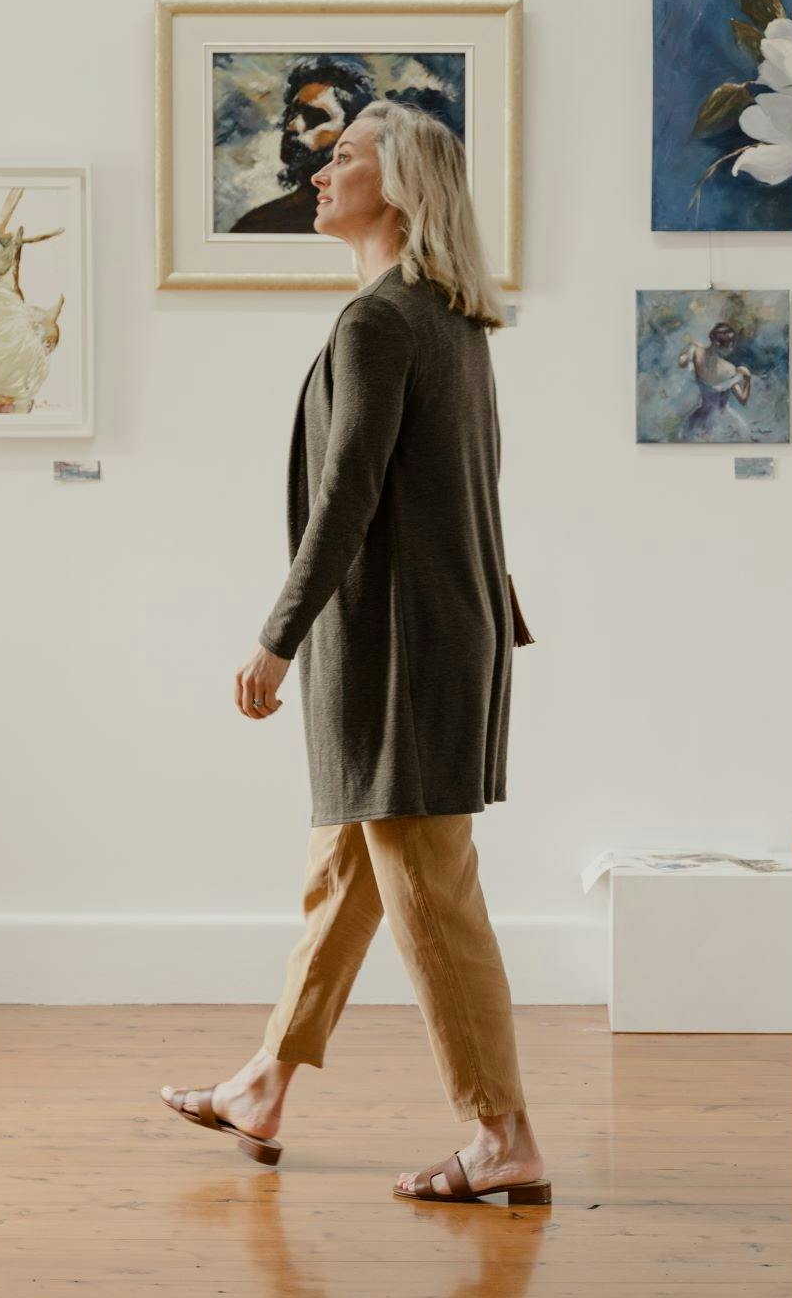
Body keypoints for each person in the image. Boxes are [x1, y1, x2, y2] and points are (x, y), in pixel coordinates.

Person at [159, 101, 549, 1207]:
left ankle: (501, 1132)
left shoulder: (383, 321)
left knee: (430, 887)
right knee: (350, 873)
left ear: (403, 182)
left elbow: (349, 499)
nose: (320, 173)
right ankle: (266, 1084)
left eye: (344, 156)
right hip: (437, 630)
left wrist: (277, 636)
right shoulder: (450, 319)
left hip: (398, 642)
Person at [225, 56, 377, 233]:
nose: (292, 126)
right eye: (292, 113)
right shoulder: (257, 225)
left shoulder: (375, 223)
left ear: (352, 131)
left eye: (314, 117)